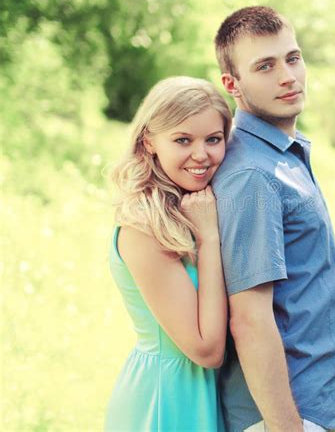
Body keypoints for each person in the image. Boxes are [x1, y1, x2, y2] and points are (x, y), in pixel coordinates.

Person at [212, 6, 335, 432]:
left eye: (292, 58)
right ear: (232, 85)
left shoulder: (281, 156)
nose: (287, 76)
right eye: (265, 66)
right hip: (289, 417)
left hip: (320, 402)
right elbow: (250, 319)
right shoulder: (252, 175)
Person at [104, 76, 232, 431]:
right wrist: (208, 239)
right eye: (182, 140)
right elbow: (207, 351)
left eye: (213, 139)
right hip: (165, 399)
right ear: (149, 142)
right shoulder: (144, 226)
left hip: (202, 394)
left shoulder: (191, 206)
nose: (201, 154)